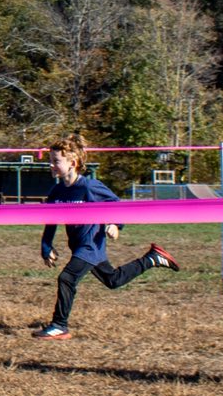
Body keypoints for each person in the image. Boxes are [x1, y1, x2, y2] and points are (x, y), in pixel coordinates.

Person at [34, 134, 178, 339]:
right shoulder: (56, 191)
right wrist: (46, 244)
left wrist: (115, 224)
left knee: (66, 278)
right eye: (50, 161)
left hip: (90, 246)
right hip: (78, 246)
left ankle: (59, 325)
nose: (51, 165)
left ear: (72, 163)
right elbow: (51, 219)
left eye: (56, 161)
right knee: (113, 280)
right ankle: (152, 258)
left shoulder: (89, 187)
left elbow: (117, 205)